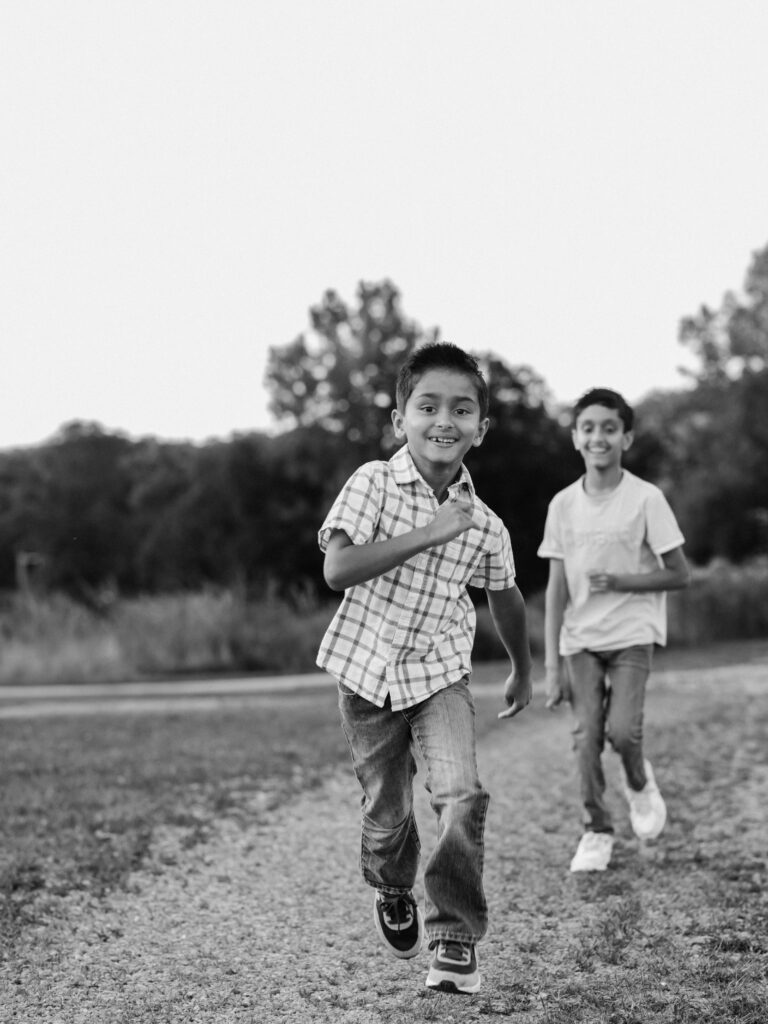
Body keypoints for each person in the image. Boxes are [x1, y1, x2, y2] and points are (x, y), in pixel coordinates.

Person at [316, 342, 533, 994]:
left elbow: (506, 594)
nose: (445, 420)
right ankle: (390, 886)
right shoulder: (373, 483)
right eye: (428, 405)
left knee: (462, 793)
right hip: (366, 674)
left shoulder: (486, 525)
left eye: (461, 409)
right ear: (399, 418)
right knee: (388, 817)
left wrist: (523, 666)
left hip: (440, 675)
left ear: (481, 429)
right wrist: (431, 533)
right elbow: (337, 569)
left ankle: (455, 938)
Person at [538, 387, 690, 873]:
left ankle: (639, 784)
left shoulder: (647, 499)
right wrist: (551, 665)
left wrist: (624, 580)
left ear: (626, 437)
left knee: (623, 733)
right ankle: (596, 831)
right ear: (575, 438)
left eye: (609, 428)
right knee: (586, 737)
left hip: (631, 634)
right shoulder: (562, 504)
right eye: (588, 428)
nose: (598, 436)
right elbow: (556, 588)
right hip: (580, 640)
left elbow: (680, 573)